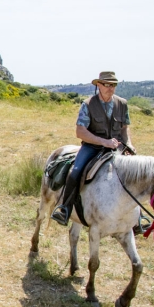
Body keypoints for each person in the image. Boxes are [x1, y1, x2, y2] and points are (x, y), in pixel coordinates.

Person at [51, 71, 134, 225]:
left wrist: (129, 144)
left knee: (136, 173)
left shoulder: (122, 104)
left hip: (117, 147)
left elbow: (124, 128)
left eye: (113, 85)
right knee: (75, 171)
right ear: (99, 85)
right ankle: (65, 209)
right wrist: (103, 142)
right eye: (107, 84)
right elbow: (80, 131)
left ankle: (138, 218)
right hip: (92, 147)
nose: (110, 88)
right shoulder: (88, 104)